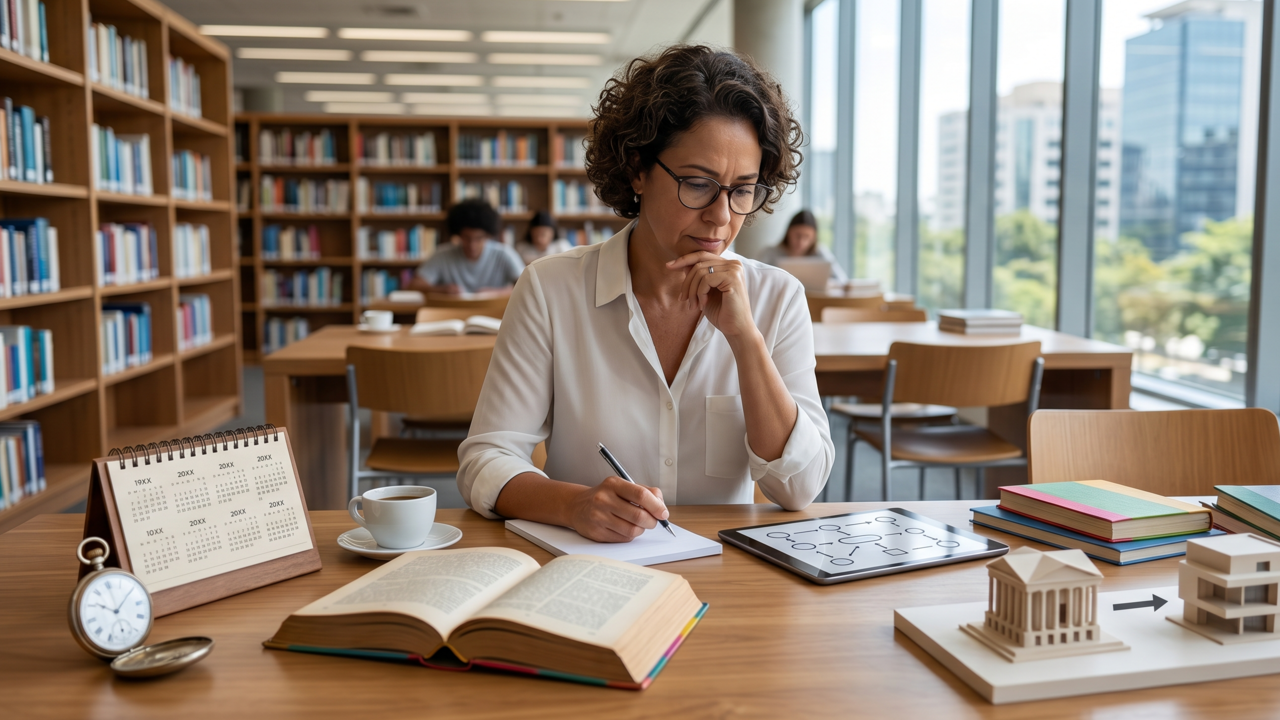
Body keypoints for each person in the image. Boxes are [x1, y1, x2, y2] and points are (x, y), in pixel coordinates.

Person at [457, 45, 834, 543]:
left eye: (743, 189)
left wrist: (746, 341)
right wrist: (573, 505)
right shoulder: (552, 289)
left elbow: (800, 487)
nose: (722, 217)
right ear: (637, 168)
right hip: (591, 573)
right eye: (698, 184)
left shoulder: (778, 297)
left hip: (728, 579)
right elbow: (486, 458)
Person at [412, 199, 525, 295]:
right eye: (466, 238)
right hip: (454, 315)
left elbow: (526, 287)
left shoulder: (504, 254)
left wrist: (497, 292)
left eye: (479, 238)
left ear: (488, 236)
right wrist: (441, 289)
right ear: (458, 234)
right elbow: (414, 285)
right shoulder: (442, 254)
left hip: (495, 315)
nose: (472, 244)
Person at [757, 210, 848, 282]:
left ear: (814, 237)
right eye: (797, 235)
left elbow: (841, 280)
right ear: (788, 233)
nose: (801, 242)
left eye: (807, 237)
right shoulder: (770, 253)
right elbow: (756, 278)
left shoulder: (820, 252)